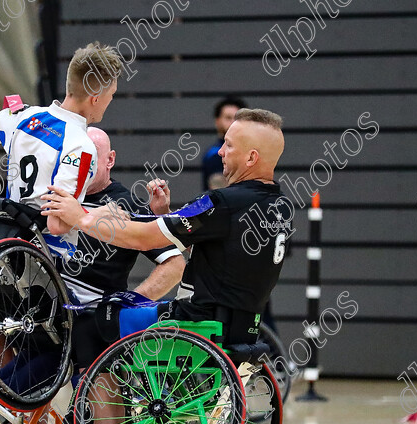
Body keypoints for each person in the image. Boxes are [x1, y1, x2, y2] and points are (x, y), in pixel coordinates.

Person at [42, 108, 292, 358]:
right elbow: (223, 254)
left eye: (228, 145)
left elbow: (143, 238)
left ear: (251, 158)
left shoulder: (220, 202)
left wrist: (81, 218)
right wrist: (164, 214)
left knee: (91, 324)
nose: (221, 152)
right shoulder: (280, 207)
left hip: (195, 323)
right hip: (242, 328)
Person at [0, 41, 123, 258]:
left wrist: (8, 120)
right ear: (96, 98)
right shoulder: (81, 147)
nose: (111, 100)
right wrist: (100, 213)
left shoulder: (24, 115)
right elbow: (58, 224)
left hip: (6, 243)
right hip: (46, 257)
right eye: (112, 94)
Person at [61, 127, 185, 303]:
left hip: (90, 313)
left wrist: (129, 304)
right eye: (78, 152)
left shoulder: (129, 205)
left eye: (92, 153)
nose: (84, 159)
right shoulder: (58, 191)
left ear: (110, 160)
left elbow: (175, 265)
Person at [201, 97, 246, 192]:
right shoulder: (215, 155)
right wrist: (192, 208)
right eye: (228, 118)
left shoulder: (251, 153)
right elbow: (217, 196)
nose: (233, 123)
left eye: (237, 119)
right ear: (217, 121)